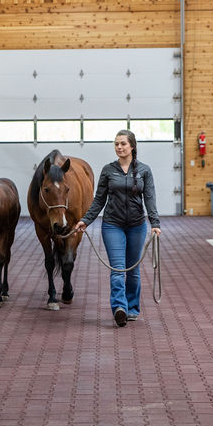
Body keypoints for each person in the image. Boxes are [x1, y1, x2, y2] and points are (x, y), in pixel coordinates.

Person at [74, 130, 161, 327]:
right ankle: (119, 308)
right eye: (116, 144)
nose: (119, 147)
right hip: (112, 225)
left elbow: (149, 198)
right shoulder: (108, 170)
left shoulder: (144, 170)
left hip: (137, 226)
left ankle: (132, 308)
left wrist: (155, 224)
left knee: (134, 270)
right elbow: (99, 200)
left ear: (132, 146)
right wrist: (85, 220)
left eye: (123, 144)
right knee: (117, 269)